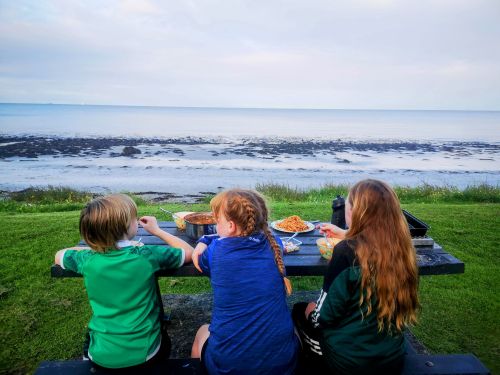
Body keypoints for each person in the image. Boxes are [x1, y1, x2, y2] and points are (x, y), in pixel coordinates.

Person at [293, 179, 419, 374]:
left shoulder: (346, 253)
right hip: (391, 356)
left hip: (349, 361)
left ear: (354, 212)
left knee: (300, 310)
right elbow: (374, 241)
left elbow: (323, 318)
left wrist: (310, 310)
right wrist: (346, 233)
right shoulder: (403, 249)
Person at [54, 193, 194, 370]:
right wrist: (157, 231)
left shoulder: (87, 259)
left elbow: (59, 255)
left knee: (90, 337)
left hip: (100, 357)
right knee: (163, 338)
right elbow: (189, 252)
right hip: (146, 354)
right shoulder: (146, 256)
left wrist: (94, 247)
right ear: (127, 227)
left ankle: (87, 359)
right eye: (134, 218)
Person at [190, 188, 300, 375]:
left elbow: (199, 258)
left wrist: (203, 240)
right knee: (294, 331)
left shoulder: (216, 251)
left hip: (228, 365)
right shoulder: (275, 244)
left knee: (202, 332)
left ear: (231, 226)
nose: (216, 226)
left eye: (218, 221)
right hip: (281, 364)